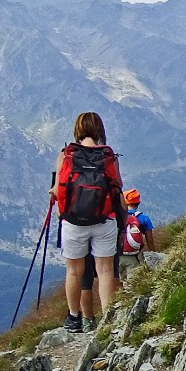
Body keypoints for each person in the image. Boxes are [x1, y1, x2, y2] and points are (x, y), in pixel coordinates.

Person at [51, 112, 124, 333]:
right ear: (100, 130)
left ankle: (74, 318)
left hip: (73, 222)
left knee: (73, 271)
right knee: (104, 271)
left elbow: (57, 190)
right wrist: (123, 221)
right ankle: (108, 321)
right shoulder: (108, 156)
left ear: (78, 130)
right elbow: (117, 188)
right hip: (104, 220)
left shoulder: (66, 155)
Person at [116, 188, 154, 280]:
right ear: (138, 203)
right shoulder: (144, 218)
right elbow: (150, 240)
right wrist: (154, 254)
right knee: (132, 286)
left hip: (116, 256)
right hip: (134, 256)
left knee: (118, 288)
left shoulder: (116, 217)